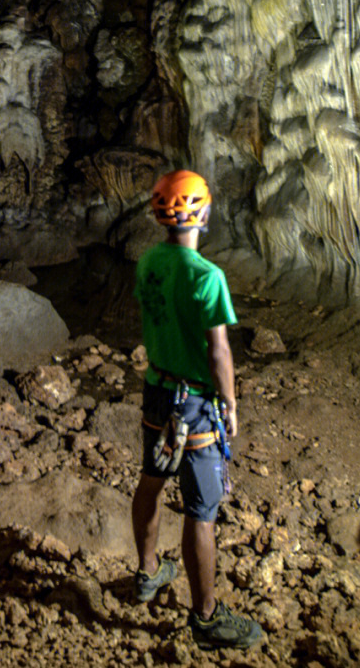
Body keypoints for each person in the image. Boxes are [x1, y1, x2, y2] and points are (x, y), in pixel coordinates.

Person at [130, 169, 264, 651]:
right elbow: (219, 352)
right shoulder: (207, 276)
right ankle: (206, 618)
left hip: (156, 391)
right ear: (203, 213)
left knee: (151, 477)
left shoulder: (147, 262)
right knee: (202, 509)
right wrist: (229, 401)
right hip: (195, 406)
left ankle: (148, 572)